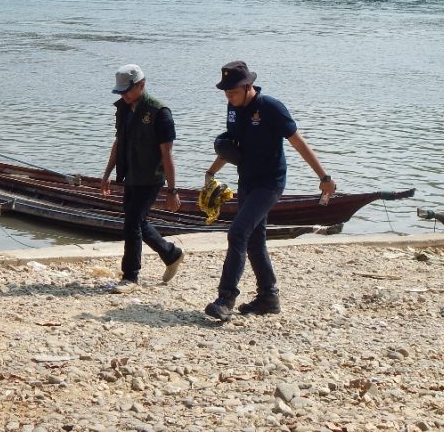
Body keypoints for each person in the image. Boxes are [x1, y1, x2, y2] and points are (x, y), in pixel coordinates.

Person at [203, 61, 335, 321]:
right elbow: (232, 147)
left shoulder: (271, 108)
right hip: (247, 181)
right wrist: (211, 172)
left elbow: (298, 142)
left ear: (248, 87)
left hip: (270, 183)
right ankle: (268, 297)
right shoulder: (233, 108)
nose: (228, 98)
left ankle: (225, 298)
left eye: (232, 93)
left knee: (238, 232)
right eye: (226, 94)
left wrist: (324, 177)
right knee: (254, 239)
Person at [100, 64, 185, 294]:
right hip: (131, 175)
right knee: (136, 221)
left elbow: (167, 153)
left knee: (132, 224)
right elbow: (118, 143)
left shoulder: (159, 112)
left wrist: (172, 190)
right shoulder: (124, 109)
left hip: (151, 177)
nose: (124, 95)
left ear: (142, 85)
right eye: (121, 92)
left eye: (127, 91)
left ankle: (130, 276)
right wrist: (107, 173)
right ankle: (170, 253)